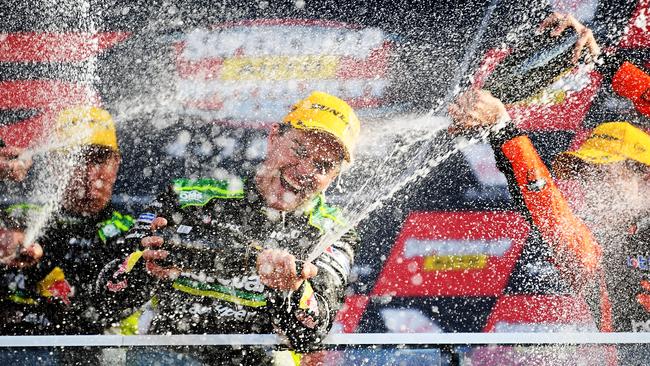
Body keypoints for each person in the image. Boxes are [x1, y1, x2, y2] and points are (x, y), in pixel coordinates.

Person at [99, 91, 361, 365]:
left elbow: (312, 333)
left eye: (322, 165)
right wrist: (143, 270)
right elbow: (105, 296)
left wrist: (294, 291)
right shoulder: (186, 196)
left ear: (334, 177)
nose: (305, 170)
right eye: (300, 150)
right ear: (274, 137)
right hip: (169, 354)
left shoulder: (333, 230)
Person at [0, 106, 134, 364]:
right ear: (53, 164)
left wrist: (44, 258)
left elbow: (100, 305)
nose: (89, 173)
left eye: (99, 159)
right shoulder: (17, 217)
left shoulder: (129, 230)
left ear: (116, 163)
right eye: (77, 157)